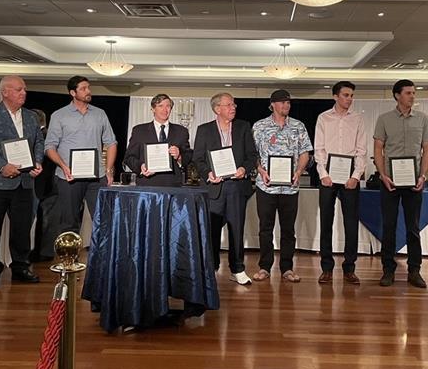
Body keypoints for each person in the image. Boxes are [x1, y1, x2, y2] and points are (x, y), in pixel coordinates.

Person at [0, 76, 44, 288]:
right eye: (19, 89)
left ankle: (21, 266)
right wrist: (2, 165)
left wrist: (37, 163)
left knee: (22, 228)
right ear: (5, 92)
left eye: (24, 89)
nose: (24, 93)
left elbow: (39, 142)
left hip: (24, 182)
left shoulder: (31, 117)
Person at [373, 79, 428, 289]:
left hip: (414, 182)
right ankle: (388, 270)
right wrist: (382, 175)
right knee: (388, 226)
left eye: (414, 93)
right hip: (389, 181)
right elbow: (378, 149)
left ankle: (414, 270)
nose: (412, 96)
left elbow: (427, 149)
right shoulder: (384, 119)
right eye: (408, 93)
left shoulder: (423, 119)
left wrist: (422, 175)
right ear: (397, 95)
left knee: (413, 228)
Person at [193, 92, 257, 285]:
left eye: (234, 104)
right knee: (211, 231)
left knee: (236, 230)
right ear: (217, 109)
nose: (233, 107)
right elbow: (198, 158)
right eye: (229, 105)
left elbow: (252, 155)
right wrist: (208, 174)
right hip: (214, 188)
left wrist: (244, 168)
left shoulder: (244, 127)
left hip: (237, 187)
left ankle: (237, 269)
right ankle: (210, 268)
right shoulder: (204, 130)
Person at [251, 89, 312, 283]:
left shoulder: (298, 126)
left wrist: (299, 171)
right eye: (283, 102)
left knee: (288, 230)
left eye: (288, 103)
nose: (286, 106)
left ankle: (287, 268)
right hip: (266, 186)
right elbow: (252, 154)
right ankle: (264, 267)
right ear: (273, 105)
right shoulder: (259, 126)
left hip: (290, 187)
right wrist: (261, 170)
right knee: (265, 229)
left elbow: (305, 153)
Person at [45, 76, 117, 238]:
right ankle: (70, 261)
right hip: (69, 177)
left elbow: (111, 143)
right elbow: (49, 147)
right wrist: (64, 166)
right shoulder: (59, 115)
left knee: (103, 220)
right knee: (69, 222)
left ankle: (103, 261)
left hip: (97, 177)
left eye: (88, 87)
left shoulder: (100, 114)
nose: (88, 91)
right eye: (83, 89)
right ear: (72, 92)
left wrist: (109, 170)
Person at [314, 81, 367, 285]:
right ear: (335, 96)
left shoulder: (358, 119)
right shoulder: (323, 118)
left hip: (350, 177)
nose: (349, 99)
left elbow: (361, 150)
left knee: (351, 223)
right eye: (346, 95)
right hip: (328, 176)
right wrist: (323, 174)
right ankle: (326, 268)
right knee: (326, 222)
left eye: (351, 95)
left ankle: (349, 268)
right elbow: (319, 148)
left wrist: (355, 176)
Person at [123, 94, 192, 187]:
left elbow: (189, 156)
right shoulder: (139, 130)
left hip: (173, 185)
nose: (165, 110)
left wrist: (179, 156)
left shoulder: (181, 131)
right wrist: (141, 167)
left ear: (171, 109)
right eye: (160, 106)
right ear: (153, 109)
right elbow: (129, 158)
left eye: (168, 106)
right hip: (147, 184)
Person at [29, 109, 58, 262]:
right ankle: (44, 252)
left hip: (42, 183)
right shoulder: (49, 135)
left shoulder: (42, 136)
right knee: (47, 220)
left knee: (42, 220)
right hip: (49, 184)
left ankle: (40, 252)